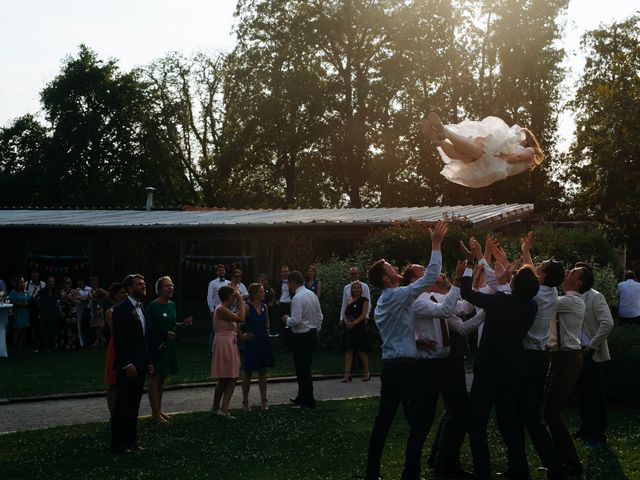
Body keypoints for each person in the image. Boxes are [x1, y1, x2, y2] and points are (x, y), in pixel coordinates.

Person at [364, 220, 447, 480]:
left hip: (391, 367)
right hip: (405, 369)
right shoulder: (396, 295)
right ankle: (410, 473)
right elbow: (430, 277)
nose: (396, 268)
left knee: (384, 421)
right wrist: (435, 244)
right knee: (420, 422)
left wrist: (414, 342)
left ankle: (372, 473)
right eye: (391, 268)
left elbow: (396, 331)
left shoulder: (383, 302)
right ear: (387, 279)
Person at [460, 256, 540, 480]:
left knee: (477, 423)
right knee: (509, 423)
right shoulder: (531, 306)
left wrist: (467, 269)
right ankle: (520, 470)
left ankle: (482, 472)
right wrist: (504, 279)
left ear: (514, 284)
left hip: (489, 369)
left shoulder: (499, 302)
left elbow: (467, 294)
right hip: (515, 369)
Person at [407, 263, 483, 480]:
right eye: (423, 270)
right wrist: (460, 281)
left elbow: (462, 308)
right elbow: (448, 310)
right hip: (431, 366)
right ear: (414, 279)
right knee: (433, 418)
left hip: (442, 363)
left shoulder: (433, 297)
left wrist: (472, 278)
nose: (430, 272)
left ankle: (445, 462)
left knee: (457, 413)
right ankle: (436, 465)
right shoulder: (416, 300)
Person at [544, 266, 592, 479]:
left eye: (573, 272)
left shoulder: (572, 301)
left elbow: (544, 296)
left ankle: (572, 464)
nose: (568, 272)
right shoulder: (565, 298)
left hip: (568, 359)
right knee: (549, 412)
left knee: (552, 413)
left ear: (579, 283)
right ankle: (560, 461)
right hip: (559, 357)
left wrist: (540, 275)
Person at [423, 112, 544, 188]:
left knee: (477, 148)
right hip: (493, 168)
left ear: (527, 140)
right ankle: (440, 141)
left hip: (498, 162)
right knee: (464, 157)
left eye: (520, 137)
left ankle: (445, 132)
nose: (517, 139)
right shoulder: (526, 163)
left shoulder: (530, 151)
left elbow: (516, 157)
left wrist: (502, 156)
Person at [111, 274, 153, 453]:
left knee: (134, 404)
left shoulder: (141, 307)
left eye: (143, 284)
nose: (143, 286)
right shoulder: (122, 309)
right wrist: (127, 363)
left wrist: (149, 361)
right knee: (123, 404)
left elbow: (144, 338)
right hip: (128, 366)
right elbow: (119, 340)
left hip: (141, 364)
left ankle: (132, 441)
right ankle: (119, 443)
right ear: (128, 288)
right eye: (138, 284)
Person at [574, 262, 614, 449]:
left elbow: (607, 323)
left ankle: (598, 434)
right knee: (583, 393)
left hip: (591, 353)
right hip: (577, 351)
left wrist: (591, 346)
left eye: (576, 271)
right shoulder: (572, 297)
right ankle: (586, 429)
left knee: (595, 394)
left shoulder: (596, 297)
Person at [146, 276, 193, 425]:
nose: (170, 288)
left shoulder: (172, 305)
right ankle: (154, 414)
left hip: (169, 345)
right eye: (167, 286)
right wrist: (163, 333)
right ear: (159, 289)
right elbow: (148, 328)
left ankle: (159, 410)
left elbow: (172, 324)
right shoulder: (152, 306)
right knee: (155, 377)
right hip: (157, 346)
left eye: (171, 285)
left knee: (162, 377)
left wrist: (182, 324)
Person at [282, 270, 324, 409]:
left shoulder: (297, 298)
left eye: (288, 283)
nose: (288, 286)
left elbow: (296, 320)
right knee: (305, 368)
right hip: (311, 335)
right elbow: (320, 316)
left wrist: (286, 319)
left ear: (293, 282)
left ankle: (308, 400)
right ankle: (302, 396)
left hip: (301, 336)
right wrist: (316, 330)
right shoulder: (311, 294)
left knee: (302, 370)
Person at [211, 286, 250, 419]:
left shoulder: (224, 309)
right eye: (234, 295)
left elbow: (237, 324)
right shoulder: (221, 309)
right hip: (224, 343)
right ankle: (222, 409)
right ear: (229, 296)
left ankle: (218, 408)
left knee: (229, 377)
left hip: (229, 342)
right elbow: (241, 319)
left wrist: (242, 335)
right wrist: (240, 300)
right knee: (228, 377)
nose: (235, 296)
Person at [241, 283, 275, 411]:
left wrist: (267, 329)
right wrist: (242, 336)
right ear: (255, 294)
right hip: (252, 342)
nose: (264, 294)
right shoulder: (247, 307)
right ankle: (245, 402)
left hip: (263, 341)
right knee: (248, 372)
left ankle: (264, 401)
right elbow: (237, 323)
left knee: (262, 372)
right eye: (261, 292)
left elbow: (267, 320)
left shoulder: (265, 306)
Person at [103, 282, 127, 418]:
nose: (125, 295)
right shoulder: (110, 312)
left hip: (128, 345)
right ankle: (113, 414)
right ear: (116, 295)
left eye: (126, 292)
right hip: (116, 346)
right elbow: (115, 332)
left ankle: (123, 411)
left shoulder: (131, 309)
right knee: (113, 383)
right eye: (123, 293)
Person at [340, 281, 371, 383]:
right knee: (349, 351)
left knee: (361, 350)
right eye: (354, 288)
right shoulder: (349, 300)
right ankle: (347, 374)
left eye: (358, 288)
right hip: (350, 329)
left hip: (360, 328)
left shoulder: (364, 300)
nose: (356, 290)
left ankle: (366, 372)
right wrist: (347, 322)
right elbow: (345, 313)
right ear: (351, 290)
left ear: (361, 289)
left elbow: (363, 314)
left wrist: (355, 323)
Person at [206, 264, 231, 354]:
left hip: (227, 309)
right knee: (215, 330)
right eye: (220, 270)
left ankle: (224, 349)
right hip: (216, 309)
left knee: (226, 328)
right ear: (217, 272)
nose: (221, 271)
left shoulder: (228, 283)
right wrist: (211, 309)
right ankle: (211, 350)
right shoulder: (212, 283)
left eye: (223, 270)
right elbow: (209, 297)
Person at [36, 276, 61, 353]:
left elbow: (60, 300)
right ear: (47, 282)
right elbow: (36, 298)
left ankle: (51, 347)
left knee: (52, 330)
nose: (51, 283)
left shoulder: (56, 291)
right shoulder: (43, 291)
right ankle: (40, 347)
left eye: (53, 281)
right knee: (42, 330)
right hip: (44, 312)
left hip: (53, 312)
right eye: (50, 281)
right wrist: (40, 306)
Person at [58, 277, 79, 352]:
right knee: (64, 328)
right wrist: (68, 297)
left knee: (72, 329)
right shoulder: (62, 291)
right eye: (66, 283)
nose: (68, 284)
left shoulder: (74, 291)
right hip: (64, 312)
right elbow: (62, 300)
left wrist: (68, 297)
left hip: (72, 312)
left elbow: (75, 301)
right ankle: (65, 346)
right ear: (63, 284)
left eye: (69, 282)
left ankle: (73, 345)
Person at [9, 277, 30, 354]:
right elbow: (9, 301)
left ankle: (20, 348)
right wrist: (19, 304)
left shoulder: (26, 292)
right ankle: (14, 347)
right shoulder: (13, 292)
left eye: (23, 282)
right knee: (17, 331)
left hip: (25, 313)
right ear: (17, 284)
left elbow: (29, 300)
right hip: (17, 313)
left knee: (24, 331)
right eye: (20, 282)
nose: (22, 284)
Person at [25, 271, 45, 348]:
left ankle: (37, 339)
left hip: (38, 306)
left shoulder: (42, 284)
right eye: (34, 276)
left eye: (37, 276)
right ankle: (29, 339)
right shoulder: (26, 284)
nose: (35, 277)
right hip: (29, 305)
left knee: (38, 323)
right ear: (31, 276)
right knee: (29, 323)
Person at [273, 265, 292, 338]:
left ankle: (289, 340)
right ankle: (281, 340)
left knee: (288, 323)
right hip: (280, 304)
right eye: (284, 272)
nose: (285, 273)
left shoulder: (291, 282)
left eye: (287, 271)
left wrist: (292, 301)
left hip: (289, 304)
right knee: (280, 323)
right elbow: (276, 292)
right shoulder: (278, 282)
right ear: (281, 273)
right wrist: (276, 300)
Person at [75, 279, 92, 347]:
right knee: (81, 325)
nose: (80, 284)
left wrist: (83, 297)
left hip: (89, 309)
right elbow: (77, 297)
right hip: (80, 309)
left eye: (81, 282)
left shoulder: (89, 288)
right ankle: (82, 341)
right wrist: (84, 297)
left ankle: (89, 340)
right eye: (79, 283)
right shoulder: (77, 290)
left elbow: (89, 297)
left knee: (89, 325)